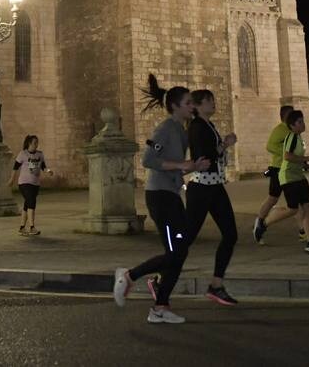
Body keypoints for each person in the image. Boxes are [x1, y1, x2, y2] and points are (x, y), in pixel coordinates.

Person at [113, 74, 209, 325]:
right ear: (175, 106)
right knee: (176, 252)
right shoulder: (166, 128)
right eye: (188, 102)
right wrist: (182, 164)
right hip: (160, 198)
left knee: (180, 251)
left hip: (173, 196)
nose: (193, 106)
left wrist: (193, 166)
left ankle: (160, 305)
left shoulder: (181, 130)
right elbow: (148, 160)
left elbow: (175, 167)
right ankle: (130, 276)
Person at [185, 89, 240, 305]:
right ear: (198, 106)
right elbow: (203, 155)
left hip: (215, 186)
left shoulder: (208, 125)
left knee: (230, 234)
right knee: (187, 238)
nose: (213, 103)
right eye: (209, 101)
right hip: (201, 188)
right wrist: (225, 144)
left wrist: (223, 144)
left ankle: (216, 284)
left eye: (213, 100)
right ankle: (161, 278)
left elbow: (213, 153)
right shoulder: (197, 126)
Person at [278, 110, 309, 255]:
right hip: (289, 177)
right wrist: (307, 159)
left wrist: (305, 165)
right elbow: (287, 156)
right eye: (299, 122)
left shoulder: (299, 138)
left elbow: (295, 158)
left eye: (303, 121)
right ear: (292, 126)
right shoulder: (292, 137)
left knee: (308, 207)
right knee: (294, 209)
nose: (303, 124)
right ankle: (264, 223)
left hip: (297, 176)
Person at [253, 105, 294, 244]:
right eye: (292, 114)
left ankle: (304, 232)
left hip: (290, 169)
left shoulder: (291, 130)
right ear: (285, 116)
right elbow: (270, 146)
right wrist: (285, 154)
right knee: (273, 198)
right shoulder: (280, 130)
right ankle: (260, 222)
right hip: (279, 169)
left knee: (298, 202)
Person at [11, 135, 50, 235]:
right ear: (29, 143)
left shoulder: (40, 154)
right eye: (34, 142)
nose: (36, 144)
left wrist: (48, 171)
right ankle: (32, 227)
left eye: (37, 142)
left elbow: (43, 167)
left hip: (35, 183)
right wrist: (12, 179)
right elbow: (15, 167)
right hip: (24, 183)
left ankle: (22, 227)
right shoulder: (23, 154)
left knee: (27, 204)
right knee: (31, 202)